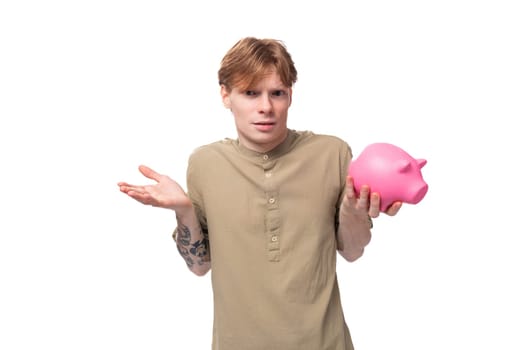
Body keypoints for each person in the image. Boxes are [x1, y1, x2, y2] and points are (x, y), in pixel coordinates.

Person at [118, 37, 402, 350]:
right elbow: (199, 266)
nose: (265, 107)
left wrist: (353, 209)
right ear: (225, 95)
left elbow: (352, 251)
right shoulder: (205, 164)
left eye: (276, 93)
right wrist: (183, 209)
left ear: (290, 96)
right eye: (251, 93)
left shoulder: (332, 153)